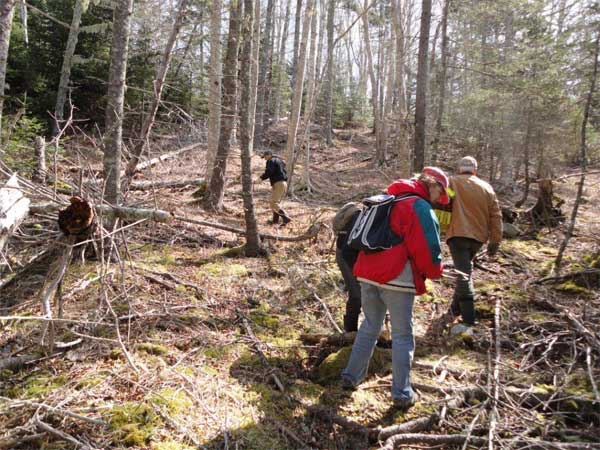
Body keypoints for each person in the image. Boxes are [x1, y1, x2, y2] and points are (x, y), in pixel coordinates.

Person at [341, 167, 449, 410]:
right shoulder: (419, 207)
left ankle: (350, 376)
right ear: (432, 184)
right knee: (402, 335)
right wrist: (435, 271)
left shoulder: (389, 198)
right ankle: (402, 393)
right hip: (397, 278)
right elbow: (427, 247)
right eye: (439, 192)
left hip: (367, 273)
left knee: (370, 326)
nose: (438, 198)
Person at [446, 156, 502, 328]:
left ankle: (469, 319)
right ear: (475, 170)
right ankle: (454, 309)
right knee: (464, 269)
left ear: (459, 169)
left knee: (464, 274)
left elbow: (444, 200)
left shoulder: (451, 183)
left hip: (457, 234)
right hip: (478, 238)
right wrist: (495, 241)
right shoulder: (487, 188)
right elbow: (496, 215)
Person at [335, 206, 362, 332]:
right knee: (357, 294)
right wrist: (356, 273)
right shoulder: (361, 217)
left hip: (354, 253)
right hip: (346, 254)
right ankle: (350, 331)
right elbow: (347, 251)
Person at [257, 150, 291, 225]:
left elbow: (269, 171)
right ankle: (275, 221)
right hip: (283, 183)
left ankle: (286, 217)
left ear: (269, 155)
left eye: (265, 157)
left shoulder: (271, 161)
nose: (265, 159)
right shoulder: (280, 161)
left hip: (278, 183)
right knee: (275, 203)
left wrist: (261, 178)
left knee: (273, 202)